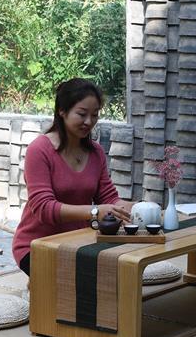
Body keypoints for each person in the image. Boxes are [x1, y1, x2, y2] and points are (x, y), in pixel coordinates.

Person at [12, 78, 133, 276]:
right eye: (82, 114)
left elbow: (108, 198)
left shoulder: (96, 152)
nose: (89, 122)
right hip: (37, 246)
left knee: (118, 275)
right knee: (84, 286)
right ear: (62, 110)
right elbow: (43, 208)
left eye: (94, 115)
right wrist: (95, 212)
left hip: (80, 243)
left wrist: (136, 208)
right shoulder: (39, 150)